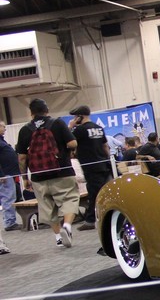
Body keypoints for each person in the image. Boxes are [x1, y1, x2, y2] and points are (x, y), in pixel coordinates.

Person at [15, 98, 80, 247]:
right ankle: (67, 227)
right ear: (47, 110)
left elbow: (22, 157)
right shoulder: (57, 123)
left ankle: (58, 237)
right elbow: (72, 143)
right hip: (62, 171)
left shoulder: (25, 130)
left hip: (38, 175)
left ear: (31, 113)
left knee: (47, 206)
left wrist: (25, 177)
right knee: (69, 199)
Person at [69, 105, 114, 231]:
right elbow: (105, 146)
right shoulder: (98, 128)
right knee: (105, 191)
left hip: (91, 166)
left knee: (94, 193)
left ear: (79, 117)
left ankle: (90, 220)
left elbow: (69, 142)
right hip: (104, 164)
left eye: (75, 117)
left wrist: (70, 127)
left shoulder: (79, 130)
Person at [1, 120, 22, 231]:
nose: (5, 128)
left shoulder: (2, 141)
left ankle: (10, 221)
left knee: (10, 197)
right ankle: (9, 223)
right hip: (5, 175)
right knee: (8, 198)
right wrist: (1, 175)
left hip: (9, 173)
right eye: (3, 126)